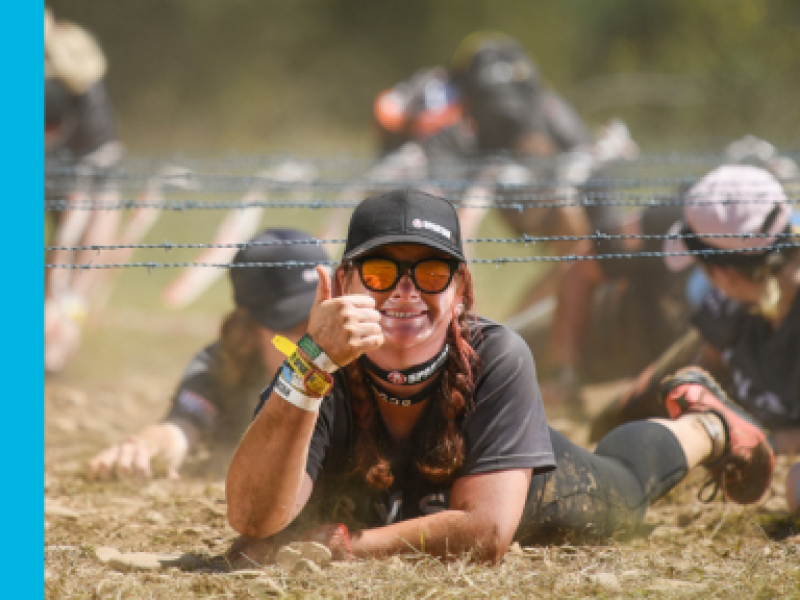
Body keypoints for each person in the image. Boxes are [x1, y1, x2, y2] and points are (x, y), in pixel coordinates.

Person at [224, 189, 774, 566]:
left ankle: (708, 424)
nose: (405, 291)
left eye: (432, 271)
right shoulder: (312, 364)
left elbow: (485, 534)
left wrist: (348, 546)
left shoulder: (499, 354)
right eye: (380, 270)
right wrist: (311, 364)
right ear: (344, 280)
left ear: (461, 288)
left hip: (519, 491)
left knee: (623, 488)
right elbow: (253, 517)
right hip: (408, 499)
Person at [588, 166, 800, 462]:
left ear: (722, 274)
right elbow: (701, 363)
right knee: (617, 416)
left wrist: (757, 444)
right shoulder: (732, 305)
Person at [87, 229, 330, 480]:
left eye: (326, 316)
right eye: (299, 325)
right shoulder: (220, 368)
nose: (318, 341)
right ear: (248, 330)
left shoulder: (362, 350)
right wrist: (147, 448)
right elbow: (179, 429)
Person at [45, 9, 124, 373]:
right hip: (64, 171)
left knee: (89, 257)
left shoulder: (80, 89)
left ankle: (59, 328)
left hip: (90, 169)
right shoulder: (55, 85)